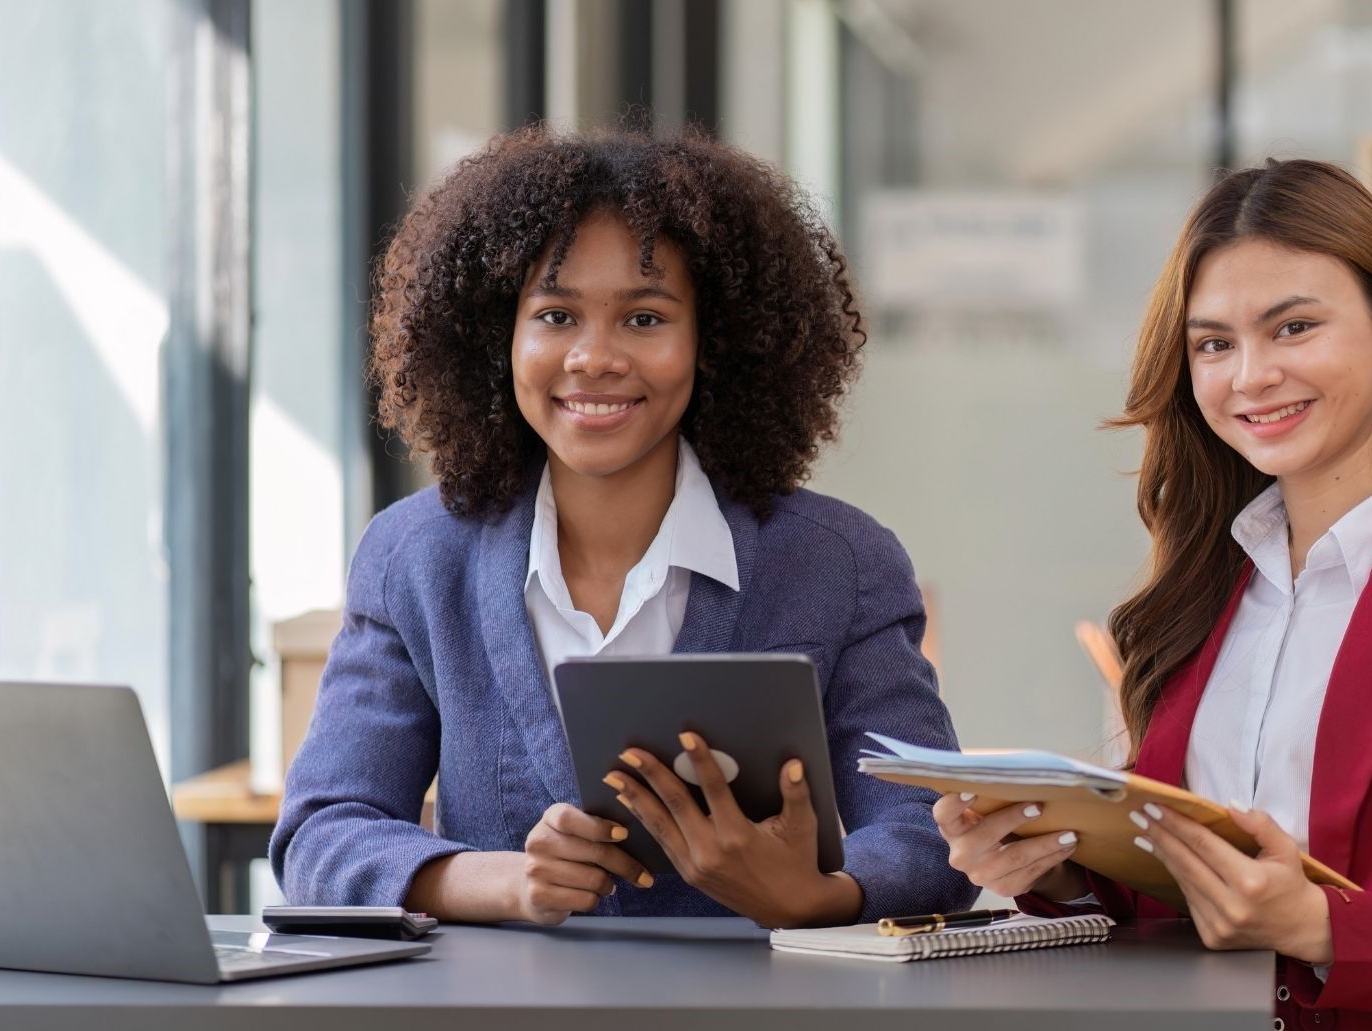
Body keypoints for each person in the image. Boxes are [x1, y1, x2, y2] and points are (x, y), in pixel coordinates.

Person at [935, 159, 1372, 1027]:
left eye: (1292, 327)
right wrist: (1054, 861)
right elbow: (1175, 888)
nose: (1249, 376)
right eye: (1214, 343)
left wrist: (1322, 925)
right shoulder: (1204, 588)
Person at [272, 127, 975, 929]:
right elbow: (321, 834)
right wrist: (501, 882)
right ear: (497, 336)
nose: (593, 357)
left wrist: (820, 893)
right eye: (556, 314)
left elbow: (932, 832)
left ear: (715, 341)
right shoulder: (415, 557)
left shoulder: (836, 563)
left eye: (644, 318)